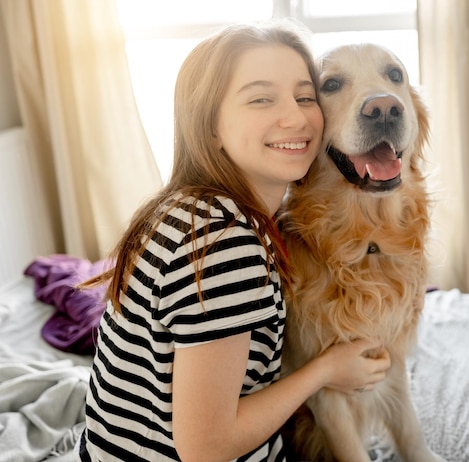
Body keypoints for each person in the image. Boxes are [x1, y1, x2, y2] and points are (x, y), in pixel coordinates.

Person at [76, 20, 391, 462]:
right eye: (261, 98)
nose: (296, 117)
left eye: (305, 97)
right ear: (209, 128)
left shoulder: (185, 208)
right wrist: (324, 371)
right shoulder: (225, 245)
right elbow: (207, 450)